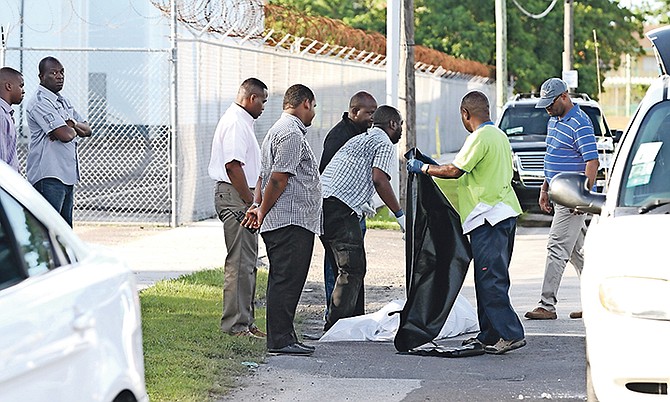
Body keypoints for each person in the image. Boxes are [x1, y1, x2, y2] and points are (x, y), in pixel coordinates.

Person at [406, 90, 526, 355]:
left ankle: (511, 333)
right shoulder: (499, 136)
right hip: (502, 214)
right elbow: (467, 176)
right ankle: (489, 334)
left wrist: (424, 169)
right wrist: (436, 168)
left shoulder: (480, 137)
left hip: (489, 218)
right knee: (487, 278)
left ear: (465, 113)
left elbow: (455, 171)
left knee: (490, 279)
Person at [243, 84, 321, 356]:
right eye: (313, 107)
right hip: (289, 221)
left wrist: (257, 205)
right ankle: (280, 340)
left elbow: (263, 177)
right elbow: (278, 178)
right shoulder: (290, 133)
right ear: (305, 104)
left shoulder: (279, 130)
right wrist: (261, 210)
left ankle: (285, 336)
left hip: (289, 220)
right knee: (286, 280)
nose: (313, 113)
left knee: (285, 279)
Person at [321, 105, 405, 331]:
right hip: (340, 209)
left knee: (345, 270)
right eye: (401, 126)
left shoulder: (359, 139)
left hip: (323, 206)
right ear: (393, 124)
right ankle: (336, 327)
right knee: (352, 270)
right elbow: (379, 180)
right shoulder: (384, 142)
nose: (401, 132)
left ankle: (350, 323)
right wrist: (400, 214)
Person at [524, 78, 598, 321]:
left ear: (564, 97)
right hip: (558, 194)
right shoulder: (553, 121)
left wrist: (583, 197)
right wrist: (545, 189)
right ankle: (597, 302)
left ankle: (547, 305)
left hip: (572, 199)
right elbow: (551, 156)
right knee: (576, 252)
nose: (547, 108)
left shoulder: (580, 123)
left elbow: (592, 162)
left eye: (550, 103)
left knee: (556, 246)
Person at [208, 78, 269, 338]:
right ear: (251, 98)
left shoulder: (243, 121)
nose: (264, 107)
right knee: (239, 262)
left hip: (241, 196)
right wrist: (250, 201)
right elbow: (233, 166)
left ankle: (247, 321)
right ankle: (235, 326)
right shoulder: (235, 122)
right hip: (235, 196)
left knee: (248, 263)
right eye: (263, 101)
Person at [319, 91, 377, 319]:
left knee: (353, 268)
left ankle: (353, 315)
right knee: (339, 266)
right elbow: (327, 177)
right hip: (338, 214)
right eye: (369, 113)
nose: (373, 117)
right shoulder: (339, 136)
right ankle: (334, 316)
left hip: (355, 211)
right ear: (354, 112)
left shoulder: (363, 135)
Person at [26, 57, 92, 227]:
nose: (59, 76)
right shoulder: (39, 102)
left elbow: (87, 130)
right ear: (41, 77)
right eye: (53, 73)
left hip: (66, 175)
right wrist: (68, 128)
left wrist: (72, 124)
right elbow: (65, 135)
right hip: (48, 176)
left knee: (65, 232)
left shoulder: (63, 101)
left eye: (61, 72)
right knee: (49, 230)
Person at [0, 67, 25, 171]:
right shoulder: (1, 115)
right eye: (21, 86)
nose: (23, 91)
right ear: (9, 86)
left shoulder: (6, 114)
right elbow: (2, 161)